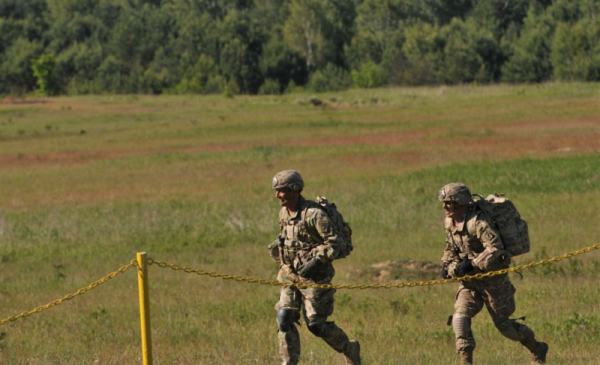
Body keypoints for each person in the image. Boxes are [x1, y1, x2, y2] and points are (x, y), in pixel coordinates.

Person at [438, 182, 549, 364]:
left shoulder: (478, 222)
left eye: (450, 203)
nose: (445, 207)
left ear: (461, 202)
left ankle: (537, 348)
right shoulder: (450, 222)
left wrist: (472, 264)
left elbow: (495, 247)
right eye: (444, 203)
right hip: (470, 283)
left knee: (505, 327)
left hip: (493, 281)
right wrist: (447, 265)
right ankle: (466, 361)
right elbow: (450, 246)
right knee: (460, 319)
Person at [267, 170, 361, 365]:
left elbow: (335, 244)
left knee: (316, 325)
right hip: (290, 275)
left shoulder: (314, 214)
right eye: (276, 191)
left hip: (316, 278)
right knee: (284, 318)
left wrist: (316, 262)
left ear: (294, 190)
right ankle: (289, 362)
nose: (277, 195)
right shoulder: (283, 212)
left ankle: (348, 348)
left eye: (281, 191)